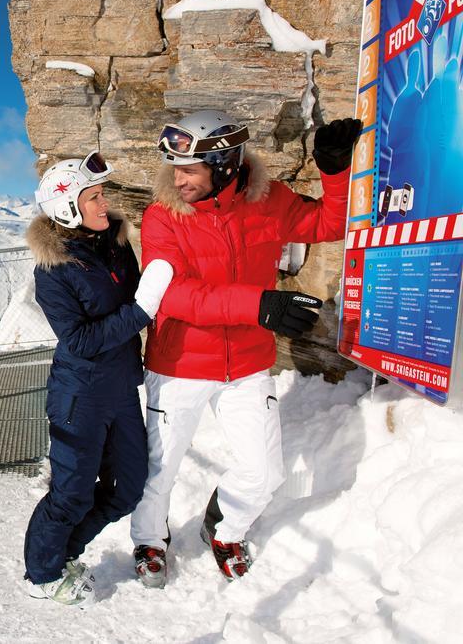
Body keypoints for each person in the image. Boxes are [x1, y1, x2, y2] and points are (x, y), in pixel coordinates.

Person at [129, 111, 361, 585]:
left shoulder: (269, 202)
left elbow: (328, 223)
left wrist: (334, 170)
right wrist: (258, 305)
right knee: (159, 470)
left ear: (225, 164)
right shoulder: (163, 217)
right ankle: (150, 540)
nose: (179, 179)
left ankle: (224, 526)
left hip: (247, 365)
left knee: (263, 473)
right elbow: (171, 294)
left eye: (190, 168)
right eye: (176, 167)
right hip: (180, 365)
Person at [24, 151, 173, 606]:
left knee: (128, 487)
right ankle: (42, 575)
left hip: (121, 388)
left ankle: (63, 552)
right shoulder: (53, 269)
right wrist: (141, 311)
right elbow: (81, 340)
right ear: (67, 206)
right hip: (80, 396)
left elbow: (133, 296)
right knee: (71, 494)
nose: (103, 203)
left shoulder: (115, 243)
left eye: (102, 193)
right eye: (93, 197)